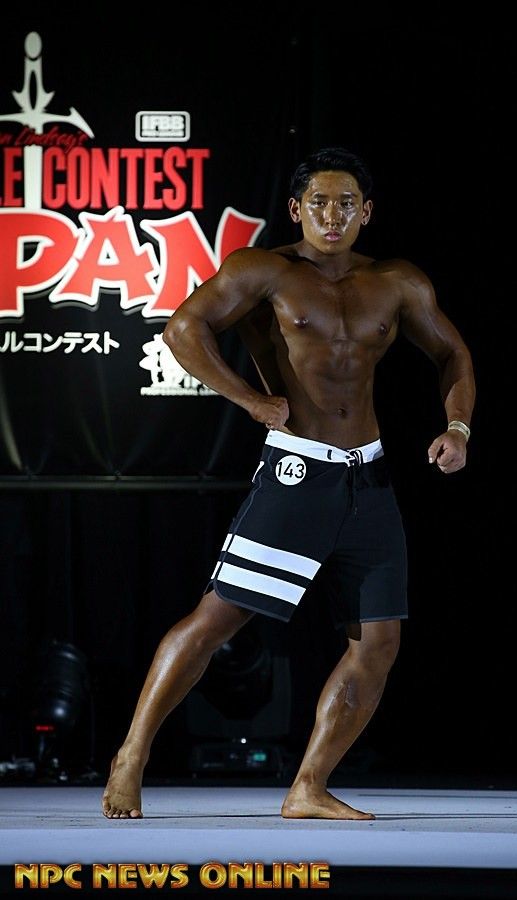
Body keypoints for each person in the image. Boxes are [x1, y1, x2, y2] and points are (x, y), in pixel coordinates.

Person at [102, 147, 476, 821]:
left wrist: (458, 428)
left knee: (379, 643)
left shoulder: (397, 282)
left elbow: (452, 352)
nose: (332, 216)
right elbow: (183, 328)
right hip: (297, 472)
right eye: (318, 203)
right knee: (218, 619)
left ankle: (308, 786)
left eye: (346, 204)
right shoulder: (265, 270)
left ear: (366, 212)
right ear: (296, 209)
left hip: (371, 479)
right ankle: (131, 755)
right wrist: (249, 400)